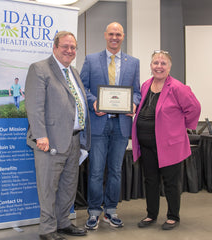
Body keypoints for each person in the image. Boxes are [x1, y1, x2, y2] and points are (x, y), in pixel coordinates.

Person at [25, 31, 91, 240]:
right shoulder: (40, 69)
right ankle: (47, 229)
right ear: (55, 47)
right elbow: (34, 106)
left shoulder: (74, 72)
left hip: (73, 140)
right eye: (65, 46)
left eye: (73, 48)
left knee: (68, 185)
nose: (69, 51)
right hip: (50, 140)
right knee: (47, 187)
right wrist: (40, 135)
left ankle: (63, 223)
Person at [80, 22, 141, 230]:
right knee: (96, 171)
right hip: (98, 124)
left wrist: (133, 103)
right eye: (111, 34)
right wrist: (93, 102)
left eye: (118, 34)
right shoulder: (90, 59)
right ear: (105, 35)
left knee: (115, 171)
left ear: (123, 36)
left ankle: (111, 210)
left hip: (121, 125)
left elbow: (137, 92)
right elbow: (83, 87)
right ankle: (94, 212)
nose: (114, 37)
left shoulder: (133, 62)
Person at [131, 50, 201, 230]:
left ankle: (172, 216)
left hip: (169, 144)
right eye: (156, 63)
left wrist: (177, 127)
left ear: (169, 67)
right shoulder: (146, 84)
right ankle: (151, 214)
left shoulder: (177, 87)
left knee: (171, 182)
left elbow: (194, 108)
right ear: (151, 66)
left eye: (163, 64)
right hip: (146, 144)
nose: (159, 67)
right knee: (150, 180)